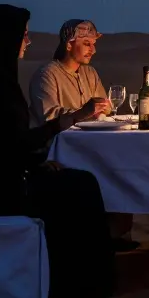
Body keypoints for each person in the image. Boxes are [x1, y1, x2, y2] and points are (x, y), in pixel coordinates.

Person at [0, 4, 116, 298]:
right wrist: (49, 144)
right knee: (80, 188)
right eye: (23, 35)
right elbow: (4, 147)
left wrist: (36, 163)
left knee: (79, 182)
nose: (28, 41)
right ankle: (77, 283)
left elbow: (5, 144)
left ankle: (77, 276)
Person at [28, 18, 139, 252]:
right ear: (69, 44)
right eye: (86, 43)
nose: (93, 49)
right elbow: (49, 118)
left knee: (123, 167)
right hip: (58, 151)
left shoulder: (90, 74)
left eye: (93, 44)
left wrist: (99, 110)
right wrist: (84, 112)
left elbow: (104, 109)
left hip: (93, 146)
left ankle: (117, 232)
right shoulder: (47, 75)